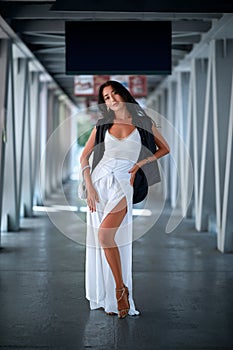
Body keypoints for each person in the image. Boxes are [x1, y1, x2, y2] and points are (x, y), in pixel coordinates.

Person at [80, 80, 170, 319]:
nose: (111, 99)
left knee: (105, 235)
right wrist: (88, 185)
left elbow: (164, 148)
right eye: (106, 97)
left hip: (123, 184)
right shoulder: (101, 126)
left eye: (114, 93)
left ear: (123, 94)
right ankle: (108, 294)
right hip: (99, 185)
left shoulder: (143, 123)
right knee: (104, 240)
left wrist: (140, 163)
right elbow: (83, 158)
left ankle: (121, 290)